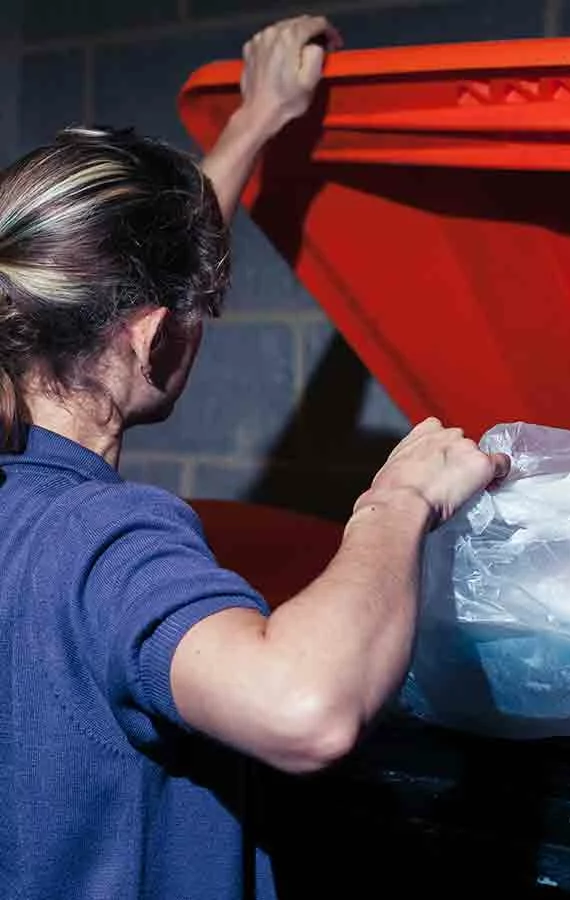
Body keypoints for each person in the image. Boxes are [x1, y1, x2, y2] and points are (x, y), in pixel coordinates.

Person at [0, 15, 509, 900]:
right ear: (156, 339)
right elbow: (305, 708)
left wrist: (255, 121)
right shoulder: (100, 538)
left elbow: (138, 294)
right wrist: (396, 502)